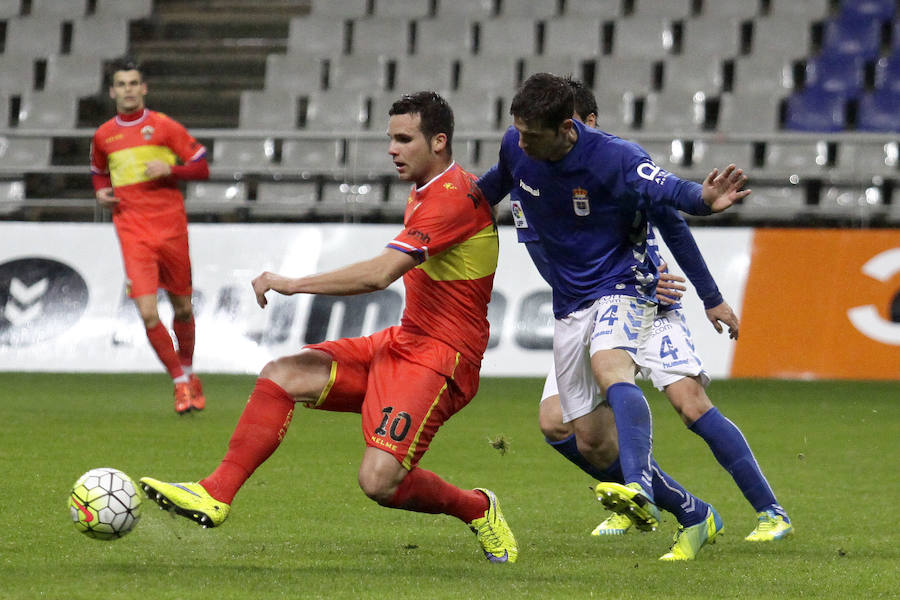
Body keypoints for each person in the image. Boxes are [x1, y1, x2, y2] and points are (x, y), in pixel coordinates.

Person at [139, 91, 519, 564]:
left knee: (378, 482)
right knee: (283, 374)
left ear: (439, 142)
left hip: (442, 359)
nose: (392, 149)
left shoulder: (451, 200)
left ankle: (479, 509)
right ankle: (214, 494)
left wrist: (293, 283)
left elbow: (379, 274)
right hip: (405, 341)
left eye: (404, 139)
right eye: (390, 139)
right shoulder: (430, 189)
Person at [477, 73, 749, 559]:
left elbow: (673, 195)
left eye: (531, 134)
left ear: (565, 128)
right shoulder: (517, 146)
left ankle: (639, 487)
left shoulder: (615, 158)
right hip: (570, 304)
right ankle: (694, 512)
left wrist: (706, 202)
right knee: (586, 440)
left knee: (611, 363)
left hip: (623, 283)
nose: (520, 142)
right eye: (517, 131)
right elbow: (488, 190)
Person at [536, 80, 793, 544]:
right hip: (583, 308)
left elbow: (673, 223)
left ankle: (770, 510)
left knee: (690, 403)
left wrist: (710, 296)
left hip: (646, 296)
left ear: (585, 124)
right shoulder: (539, 174)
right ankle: (641, 495)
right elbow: (541, 249)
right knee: (558, 422)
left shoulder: (618, 165)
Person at [90, 57, 209, 415]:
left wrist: (170, 168)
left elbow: (202, 166)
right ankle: (179, 384)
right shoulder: (103, 135)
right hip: (132, 231)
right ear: (113, 92)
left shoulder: (164, 127)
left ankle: (189, 373)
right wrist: (100, 191)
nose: (127, 90)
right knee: (147, 313)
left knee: (183, 307)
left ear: (143, 88)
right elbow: (98, 171)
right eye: (121, 84)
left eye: (133, 83)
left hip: (171, 228)